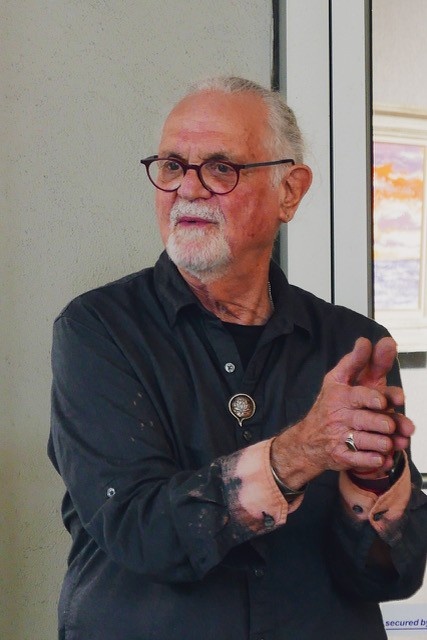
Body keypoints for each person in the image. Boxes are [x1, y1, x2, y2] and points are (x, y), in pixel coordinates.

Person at [49, 76, 427, 640]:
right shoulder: (99, 330)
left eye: (220, 168)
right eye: (172, 166)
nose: (188, 188)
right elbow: (139, 530)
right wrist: (299, 454)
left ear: (290, 192)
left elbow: (390, 577)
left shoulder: (353, 345)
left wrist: (375, 479)